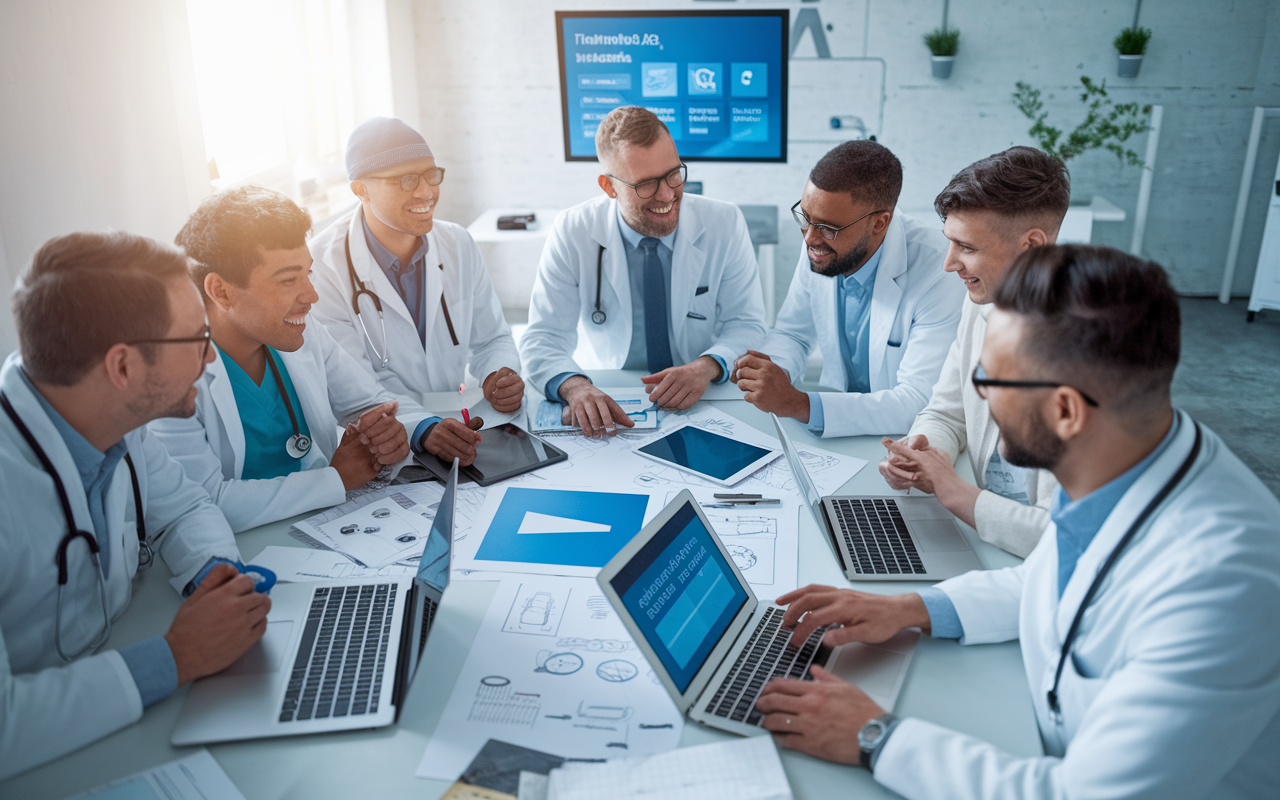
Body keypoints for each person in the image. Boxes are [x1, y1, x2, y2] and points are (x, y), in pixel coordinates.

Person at [756, 245, 1280, 799]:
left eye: (990, 380)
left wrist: (876, 737)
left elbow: (1079, 795)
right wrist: (909, 609)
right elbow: (1051, 575)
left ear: (1064, 411)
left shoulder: (1221, 586)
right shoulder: (1132, 458)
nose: (977, 394)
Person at [1, 232, 271, 779]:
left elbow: (184, 508)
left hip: (114, 717)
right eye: (196, 338)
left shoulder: (117, 421)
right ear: (121, 367)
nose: (212, 354)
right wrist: (176, 657)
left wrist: (212, 571)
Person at [152, 187, 434, 532]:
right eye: (288, 280)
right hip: (242, 551)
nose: (311, 296)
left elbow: (370, 404)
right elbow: (204, 504)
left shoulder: (298, 330)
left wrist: (401, 432)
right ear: (221, 291)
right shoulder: (169, 377)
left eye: (308, 273)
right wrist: (335, 479)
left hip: (328, 524)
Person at [520, 106, 766, 436]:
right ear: (609, 187)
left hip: (703, 397)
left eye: (673, 174)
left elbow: (747, 323)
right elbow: (542, 337)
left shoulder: (724, 221)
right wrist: (576, 387)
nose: (667, 195)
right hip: (610, 394)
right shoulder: (573, 229)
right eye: (646, 184)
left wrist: (706, 366)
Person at [878, 147, 1069, 557]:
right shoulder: (984, 301)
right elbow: (948, 411)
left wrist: (953, 491)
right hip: (988, 537)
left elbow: (1065, 537)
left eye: (966, 247)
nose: (949, 264)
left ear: (1032, 245)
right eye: (950, 243)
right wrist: (924, 453)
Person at [310, 116, 521, 463]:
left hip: (462, 429)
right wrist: (422, 427)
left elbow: (492, 338)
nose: (426, 192)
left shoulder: (457, 243)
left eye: (431, 175)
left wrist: (500, 374)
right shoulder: (322, 266)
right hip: (384, 447)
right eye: (406, 180)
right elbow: (351, 387)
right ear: (361, 190)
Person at [731, 141, 963, 437]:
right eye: (805, 218)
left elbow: (918, 402)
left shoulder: (940, 271)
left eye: (828, 227)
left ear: (880, 223)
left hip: (906, 438)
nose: (809, 239)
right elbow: (792, 333)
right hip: (844, 426)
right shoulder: (821, 243)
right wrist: (770, 372)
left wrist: (798, 404)